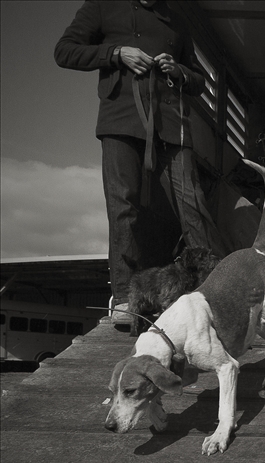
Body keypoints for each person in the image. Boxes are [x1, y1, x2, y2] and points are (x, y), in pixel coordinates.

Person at [55, 0, 227, 321]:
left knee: (193, 204)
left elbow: (200, 81)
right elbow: (64, 52)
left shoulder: (177, 18)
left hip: (171, 125)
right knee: (123, 205)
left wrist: (179, 71)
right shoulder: (102, 6)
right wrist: (116, 53)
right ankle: (124, 297)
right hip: (120, 120)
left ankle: (217, 289)